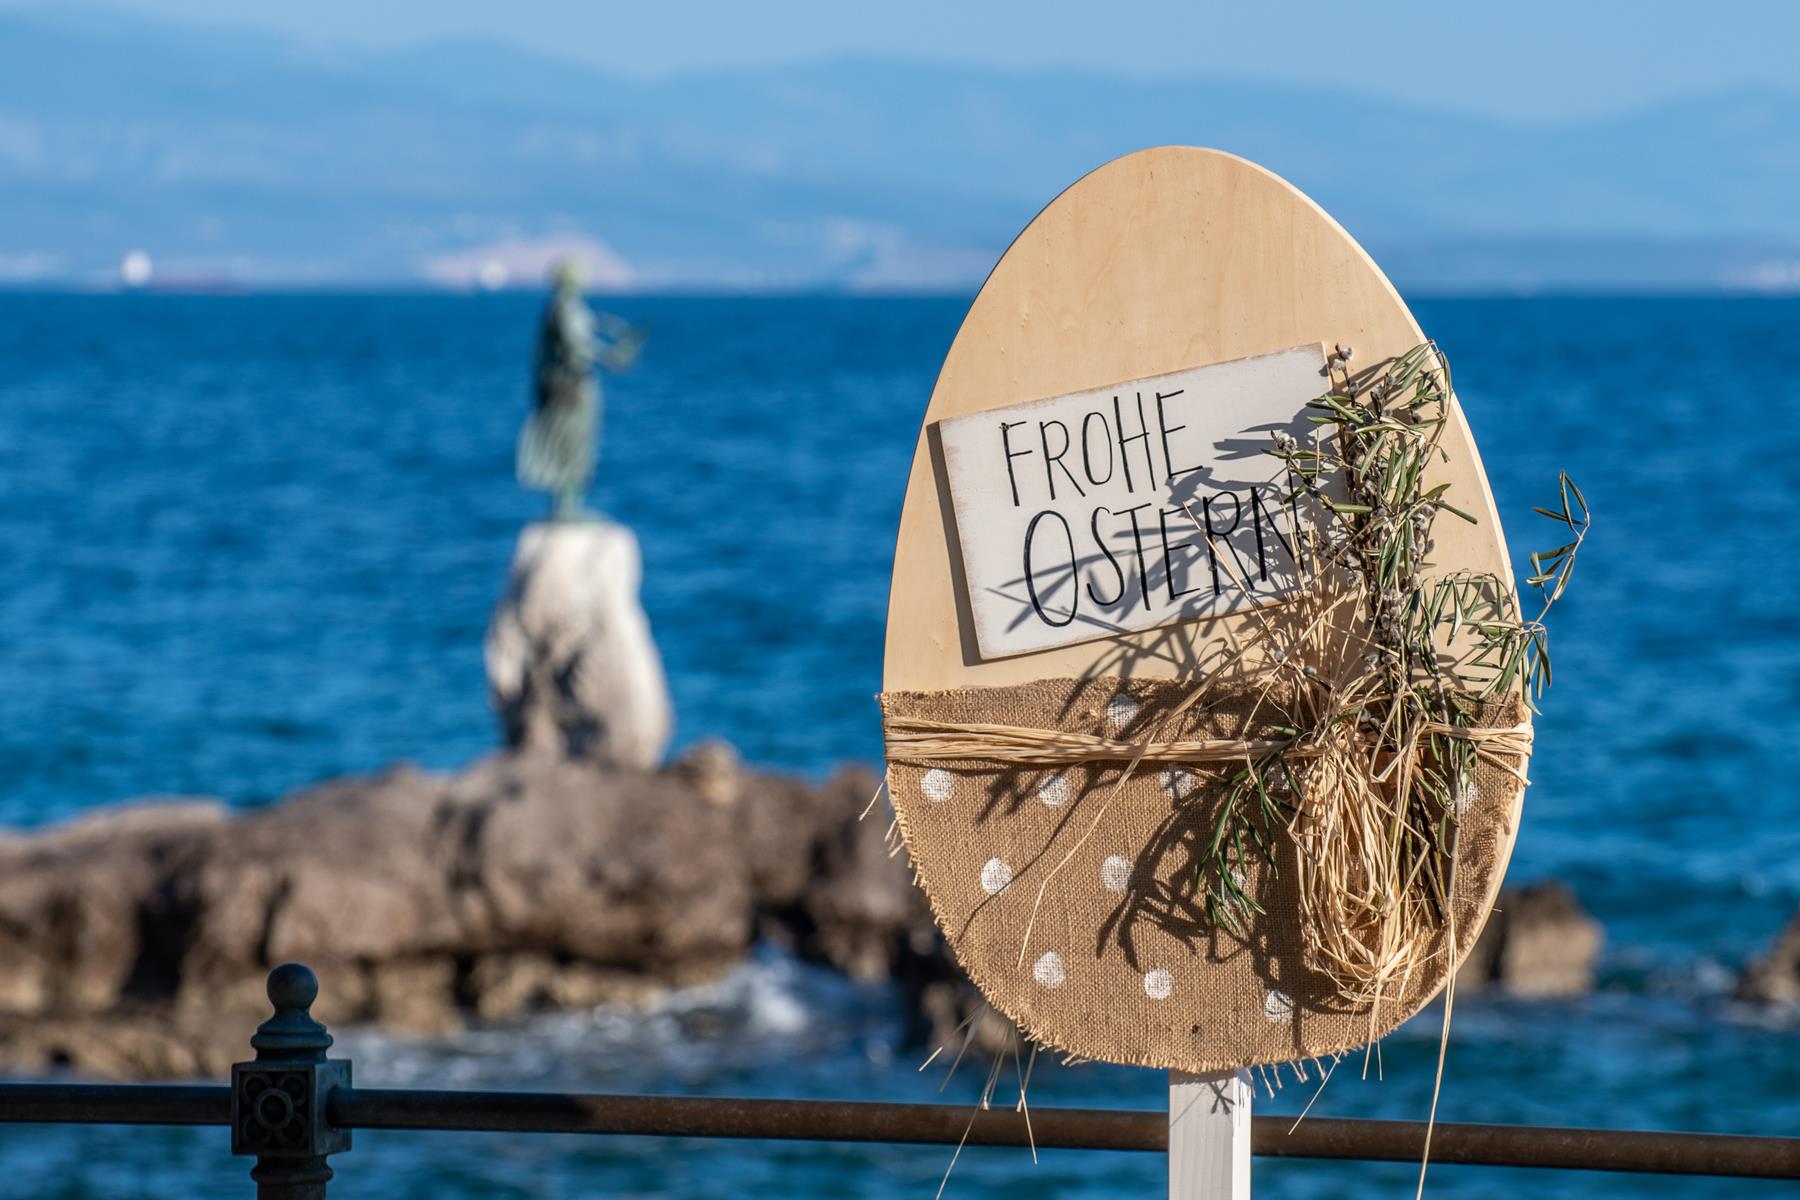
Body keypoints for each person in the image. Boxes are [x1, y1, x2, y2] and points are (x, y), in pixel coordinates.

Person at [516, 261, 644, 519]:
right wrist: (610, 358)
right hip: (570, 390)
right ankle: (565, 506)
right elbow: (576, 346)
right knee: (568, 445)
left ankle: (570, 503)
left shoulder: (567, 307)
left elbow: (585, 335)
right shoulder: (563, 307)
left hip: (572, 388)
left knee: (576, 446)